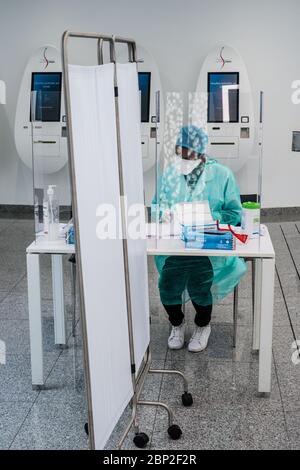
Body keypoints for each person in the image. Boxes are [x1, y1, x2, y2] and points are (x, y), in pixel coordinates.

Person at [152, 125, 247, 353]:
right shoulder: (170, 175)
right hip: (176, 244)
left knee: (199, 281)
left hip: (208, 243)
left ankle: (203, 325)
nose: (183, 158)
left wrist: (206, 217)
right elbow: (157, 207)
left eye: (188, 153)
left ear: (201, 152)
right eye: (179, 153)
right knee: (167, 284)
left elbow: (234, 214)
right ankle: (176, 323)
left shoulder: (222, 175)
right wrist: (166, 215)